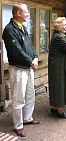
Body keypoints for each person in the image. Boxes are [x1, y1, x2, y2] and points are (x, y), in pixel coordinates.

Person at [2, 3, 40, 137]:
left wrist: (34, 56)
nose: (28, 15)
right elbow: (16, 51)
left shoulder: (23, 27)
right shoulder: (9, 30)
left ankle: (27, 118)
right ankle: (18, 126)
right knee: (18, 98)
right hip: (18, 69)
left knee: (30, 94)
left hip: (28, 67)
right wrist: (30, 61)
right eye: (26, 12)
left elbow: (29, 45)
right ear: (18, 13)